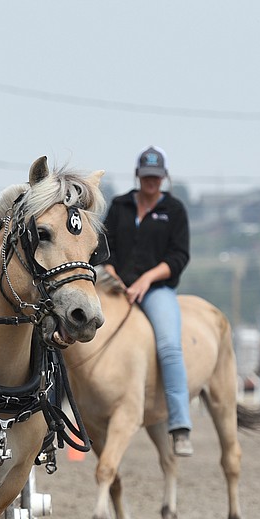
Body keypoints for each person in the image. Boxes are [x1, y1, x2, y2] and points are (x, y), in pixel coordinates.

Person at [102, 146, 193, 457]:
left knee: (169, 345)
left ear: (164, 178)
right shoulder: (119, 206)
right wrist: (110, 269)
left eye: (156, 177)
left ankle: (180, 425)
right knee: (77, 326)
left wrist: (146, 280)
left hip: (155, 290)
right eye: (146, 177)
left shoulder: (175, 211)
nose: (151, 182)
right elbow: (104, 246)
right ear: (138, 176)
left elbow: (179, 256)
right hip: (116, 286)